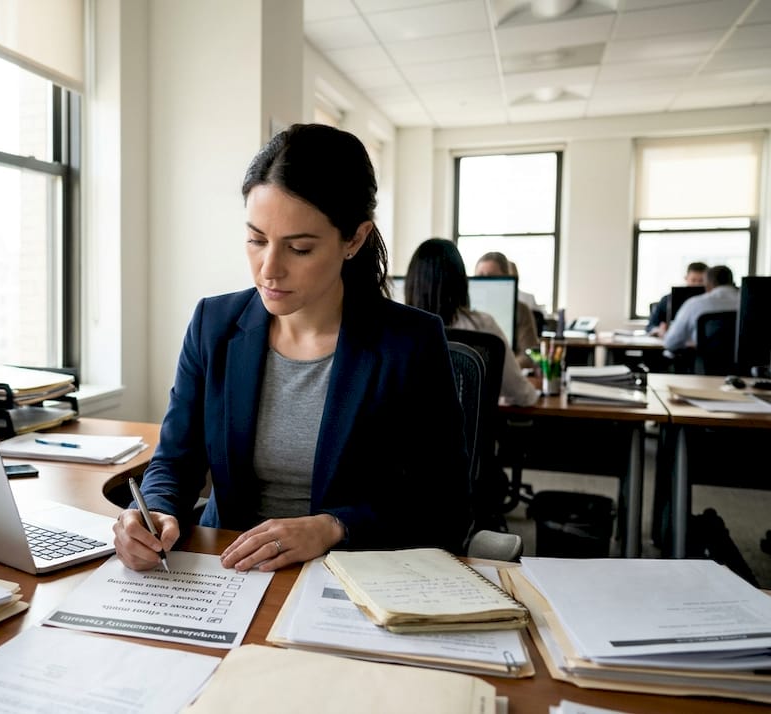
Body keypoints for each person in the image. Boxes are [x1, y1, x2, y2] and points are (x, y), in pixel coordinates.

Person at [113, 124, 470, 574]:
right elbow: (174, 463)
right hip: (229, 571)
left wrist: (333, 527)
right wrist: (154, 513)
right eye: (257, 239)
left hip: (350, 579)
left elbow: (446, 507)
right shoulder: (213, 325)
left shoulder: (409, 343)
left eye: (299, 248)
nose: (269, 269)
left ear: (354, 240)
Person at [411, 240, 540, 408]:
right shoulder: (482, 325)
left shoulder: (396, 328)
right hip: (463, 434)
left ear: (411, 284)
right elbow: (522, 394)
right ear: (462, 281)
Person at [473, 252, 541, 366]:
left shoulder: (521, 310)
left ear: (506, 276)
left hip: (508, 371)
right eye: (480, 276)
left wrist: (503, 369)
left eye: (491, 277)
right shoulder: (467, 310)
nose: (484, 281)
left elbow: (529, 355)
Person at [662, 265, 739, 352]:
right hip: (744, 364)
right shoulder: (749, 304)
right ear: (732, 282)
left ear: (707, 284)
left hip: (703, 362)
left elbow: (671, 343)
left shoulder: (694, 304)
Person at [647, 261, 708, 337]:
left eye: (701, 281)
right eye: (693, 280)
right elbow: (651, 326)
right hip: (674, 341)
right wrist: (659, 330)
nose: (697, 284)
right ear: (686, 278)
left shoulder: (712, 301)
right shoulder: (668, 299)